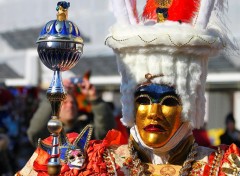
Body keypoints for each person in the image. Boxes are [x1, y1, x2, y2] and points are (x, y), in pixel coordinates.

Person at [17, 0, 239, 175]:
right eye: (143, 100)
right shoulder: (89, 163)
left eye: (169, 101)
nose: (154, 113)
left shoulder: (225, 167)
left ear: (189, 105)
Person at [27, 76, 116, 147]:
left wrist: (95, 99)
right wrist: (53, 97)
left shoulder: (87, 130)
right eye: (64, 103)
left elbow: (106, 131)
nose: (69, 105)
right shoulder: (50, 134)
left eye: (73, 103)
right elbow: (35, 132)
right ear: (56, 110)